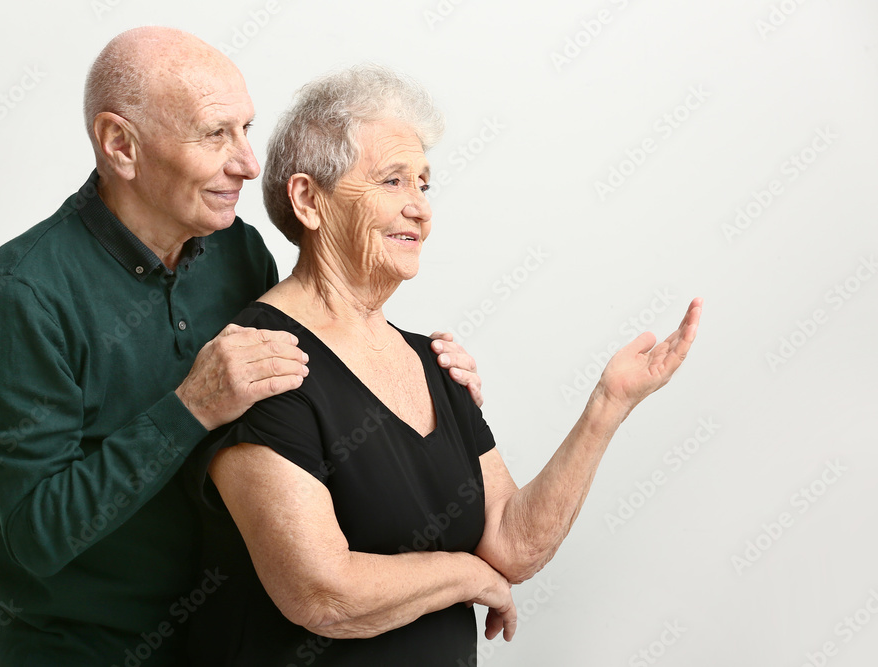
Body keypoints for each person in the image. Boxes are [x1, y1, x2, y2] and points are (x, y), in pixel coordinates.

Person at [0, 28, 483, 666]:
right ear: (121, 145)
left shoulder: (237, 251)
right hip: (83, 649)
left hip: (223, 638)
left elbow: (307, 401)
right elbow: (37, 536)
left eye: (247, 128)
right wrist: (191, 406)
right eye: (214, 134)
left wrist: (423, 376)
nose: (250, 164)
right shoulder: (20, 300)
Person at [185, 65, 703, 666]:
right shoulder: (262, 359)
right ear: (309, 200)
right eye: (393, 181)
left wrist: (607, 408)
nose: (420, 211)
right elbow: (320, 592)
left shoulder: (433, 360)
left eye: (424, 187)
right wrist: (465, 577)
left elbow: (510, 541)